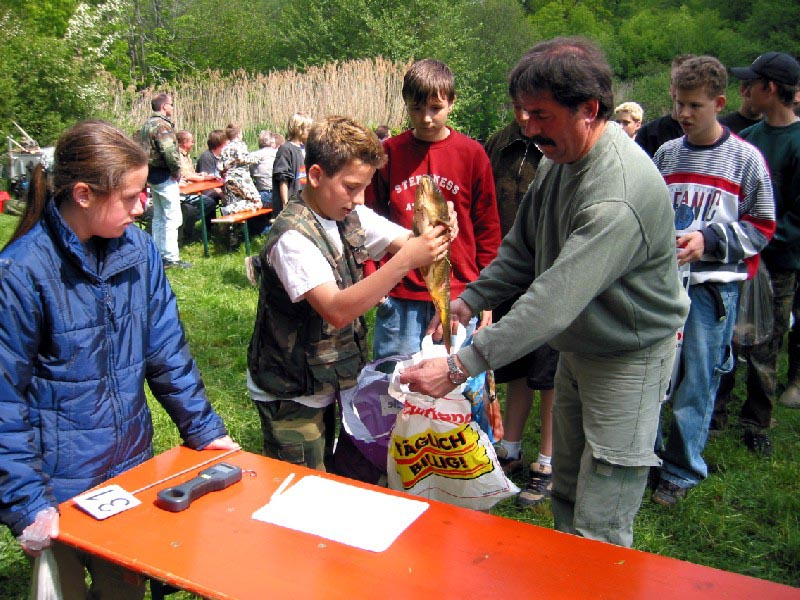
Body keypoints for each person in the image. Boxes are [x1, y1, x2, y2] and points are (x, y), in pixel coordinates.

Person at [399, 37, 690, 548]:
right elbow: (523, 248)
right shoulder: (560, 157)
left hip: (628, 355)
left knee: (602, 510)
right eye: (522, 112)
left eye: (540, 114)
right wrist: (467, 301)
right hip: (581, 346)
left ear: (589, 110)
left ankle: (597, 576)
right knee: (569, 485)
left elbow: (553, 300)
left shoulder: (617, 195)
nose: (528, 127)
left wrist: (460, 366)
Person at [0, 120, 237, 598]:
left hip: (129, 472)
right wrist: (28, 504)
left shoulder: (140, 251)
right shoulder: (21, 272)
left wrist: (205, 431)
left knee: (123, 590)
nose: (142, 205)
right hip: (55, 487)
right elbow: (3, 400)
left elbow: (167, 352)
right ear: (84, 195)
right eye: (130, 197)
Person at [245, 116, 452, 471]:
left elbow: (410, 242)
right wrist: (406, 260)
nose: (359, 199)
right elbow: (337, 310)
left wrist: (440, 232)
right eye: (352, 187)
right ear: (315, 175)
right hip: (291, 394)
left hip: (329, 381)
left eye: (365, 188)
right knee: (303, 488)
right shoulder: (292, 238)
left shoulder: (348, 214)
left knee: (332, 478)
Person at [651, 56, 775, 507]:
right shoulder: (667, 154)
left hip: (711, 288)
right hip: (664, 283)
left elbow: (763, 226)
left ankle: (682, 469)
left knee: (698, 377)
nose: (683, 114)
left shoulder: (745, 159)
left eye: (695, 106)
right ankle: (650, 456)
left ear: (719, 104)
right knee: (656, 372)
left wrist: (710, 240)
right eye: (678, 103)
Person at [367, 58, 501, 362]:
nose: (426, 118)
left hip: (459, 293)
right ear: (405, 104)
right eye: (416, 108)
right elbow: (369, 219)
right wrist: (373, 277)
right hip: (400, 292)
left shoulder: (472, 154)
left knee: (454, 383)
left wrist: (487, 293)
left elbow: (487, 228)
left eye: (435, 108)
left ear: (451, 103)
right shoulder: (389, 154)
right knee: (396, 380)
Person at [484, 97, 556, 507]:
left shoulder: (557, 145)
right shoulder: (499, 144)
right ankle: (509, 445)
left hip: (549, 274)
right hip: (507, 269)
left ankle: (548, 459)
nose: (526, 116)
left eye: (535, 108)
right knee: (513, 364)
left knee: (548, 371)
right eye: (519, 107)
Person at [727, 53, 800, 443]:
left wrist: (759, 238)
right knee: (727, 333)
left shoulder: (797, 142)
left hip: (778, 262)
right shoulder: (748, 138)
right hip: (738, 256)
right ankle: (715, 412)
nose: (745, 90)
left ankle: (757, 421)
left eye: (751, 83)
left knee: (766, 341)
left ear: (770, 89)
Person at [139, 92, 190, 268]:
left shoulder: (147, 124)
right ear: (163, 106)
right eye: (171, 104)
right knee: (172, 217)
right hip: (164, 174)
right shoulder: (162, 126)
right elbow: (168, 150)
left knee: (159, 216)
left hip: (151, 174)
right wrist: (176, 170)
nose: (172, 108)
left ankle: (159, 254)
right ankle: (171, 257)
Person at [635, 55, 695, 158]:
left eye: (687, 83)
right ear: (670, 88)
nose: (680, 88)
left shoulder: (711, 134)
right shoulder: (649, 134)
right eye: (675, 81)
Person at [176, 129, 218, 243]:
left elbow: (191, 173)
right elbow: (186, 175)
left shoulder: (186, 155)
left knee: (210, 201)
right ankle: (185, 225)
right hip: (183, 193)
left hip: (191, 190)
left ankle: (188, 224)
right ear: (184, 143)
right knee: (208, 202)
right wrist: (205, 178)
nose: (193, 144)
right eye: (191, 141)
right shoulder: (178, 156)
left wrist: (199, 175)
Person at [272, 112, 313, 216]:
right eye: (308, 128)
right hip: (292, 204)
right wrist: (285, 204)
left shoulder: (306, 149)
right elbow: (283, 179)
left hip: (305, 202)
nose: (310, 131)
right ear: (299, 129)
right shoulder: (286, 150)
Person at [220, 123, 262, 215]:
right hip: (241, 178)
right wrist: (256, 159)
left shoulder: (224, 148)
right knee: (256, 201)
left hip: (229, 179)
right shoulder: (240, 145)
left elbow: (220, 166)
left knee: (236, 201)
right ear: (238, 134)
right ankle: (229, 209)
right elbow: (242, 158)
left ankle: (231, 212)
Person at [250, 129, 278, 208]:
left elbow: (249, 174)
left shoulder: (253, 156)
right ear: (272, 142)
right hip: (278, 194)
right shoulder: (279, 153)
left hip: (263, 194)